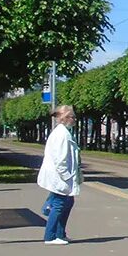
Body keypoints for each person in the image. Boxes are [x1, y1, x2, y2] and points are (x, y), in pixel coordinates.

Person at [37, 104, 82, 244]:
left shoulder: (64, 132)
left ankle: (60, 234)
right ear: (65, 118)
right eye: (72, 117)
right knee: (59, 204)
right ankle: (50, 236)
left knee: (67, 202)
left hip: (62, 176)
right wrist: (67, 177)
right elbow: (60, 160)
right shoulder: (61, 134)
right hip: (60, 176)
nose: (75, 119)